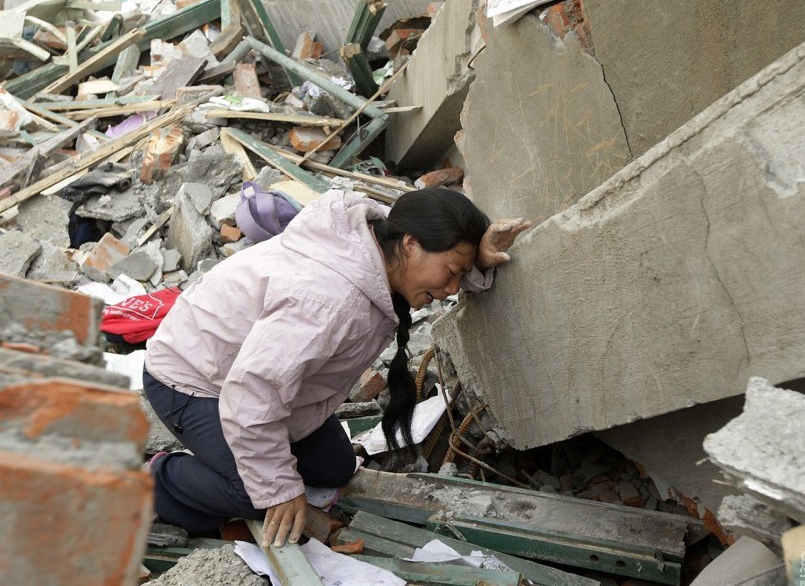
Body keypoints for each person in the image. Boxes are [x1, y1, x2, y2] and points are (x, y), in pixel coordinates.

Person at [143, 187, 530, 549]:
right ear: (411, 244)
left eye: (460, 276)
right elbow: (251, 392)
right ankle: (160, 483)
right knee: (260, 495)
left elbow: (268, 380)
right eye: (452, 272)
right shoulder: (328, 300)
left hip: (258, 379)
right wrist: (280, 488)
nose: (451, 289)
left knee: (334, 467)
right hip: (194, 378)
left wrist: (475, 258)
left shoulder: (380, 243)